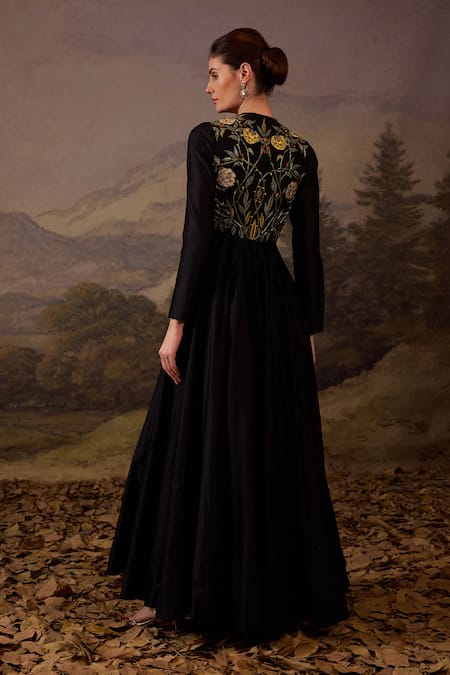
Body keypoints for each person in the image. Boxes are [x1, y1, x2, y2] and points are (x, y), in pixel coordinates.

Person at [107, 27, 349, 638]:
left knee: (198, 437)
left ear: (245, 73)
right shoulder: (301, 151)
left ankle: (179, 596)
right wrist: (309, 327)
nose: (206, 87)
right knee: (264, 440)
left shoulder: (209, 139)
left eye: (213, 75)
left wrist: (176, 325)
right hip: (275, 305)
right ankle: (275, 594)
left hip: (219, 302)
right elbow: (309, 253)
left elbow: (199, 236)